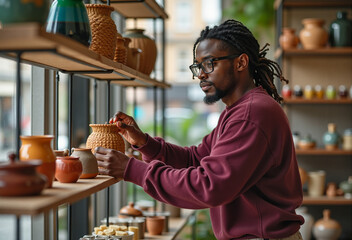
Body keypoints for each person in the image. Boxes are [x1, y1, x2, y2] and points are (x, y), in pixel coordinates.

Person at [95, 19, 304, 240]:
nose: (201, 75)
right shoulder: (238, 111)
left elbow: (209, 185)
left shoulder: (251, 114)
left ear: (241, 62)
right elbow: (196, 159)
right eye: (198, 66)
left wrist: (131, 169)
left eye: (209, 63)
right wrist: (145, 144)